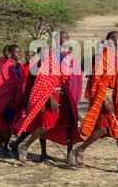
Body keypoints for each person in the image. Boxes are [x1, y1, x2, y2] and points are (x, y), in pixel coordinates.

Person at [14, 31, 82, 165]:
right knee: (46, 124)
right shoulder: (51, 57)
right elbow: (43, 79)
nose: (68, 40)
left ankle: (69, 156)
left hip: (66, 96)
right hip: (52, 95)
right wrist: (50, 97)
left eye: (69, 37)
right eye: (65, 38)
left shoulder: (69, 57)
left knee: (70, 124)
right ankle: (25, 146)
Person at [74, 31, 118, 173]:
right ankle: (80, 150)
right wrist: (105, 100)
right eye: (117, 40)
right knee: (103, 129)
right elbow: (96, 81)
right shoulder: (102, 56)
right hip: (104, 97)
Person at [0, 45, 24, 156]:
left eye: (20, 52)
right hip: (8, 100)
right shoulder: (6, 67)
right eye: (16, 52)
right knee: (7, 124)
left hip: (17, 99)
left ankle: (7, 145)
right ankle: (4, 147)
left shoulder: (20, 65)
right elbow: (2, 84)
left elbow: (21, 82)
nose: (19, 54)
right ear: (10, 53)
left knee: (13, 123)